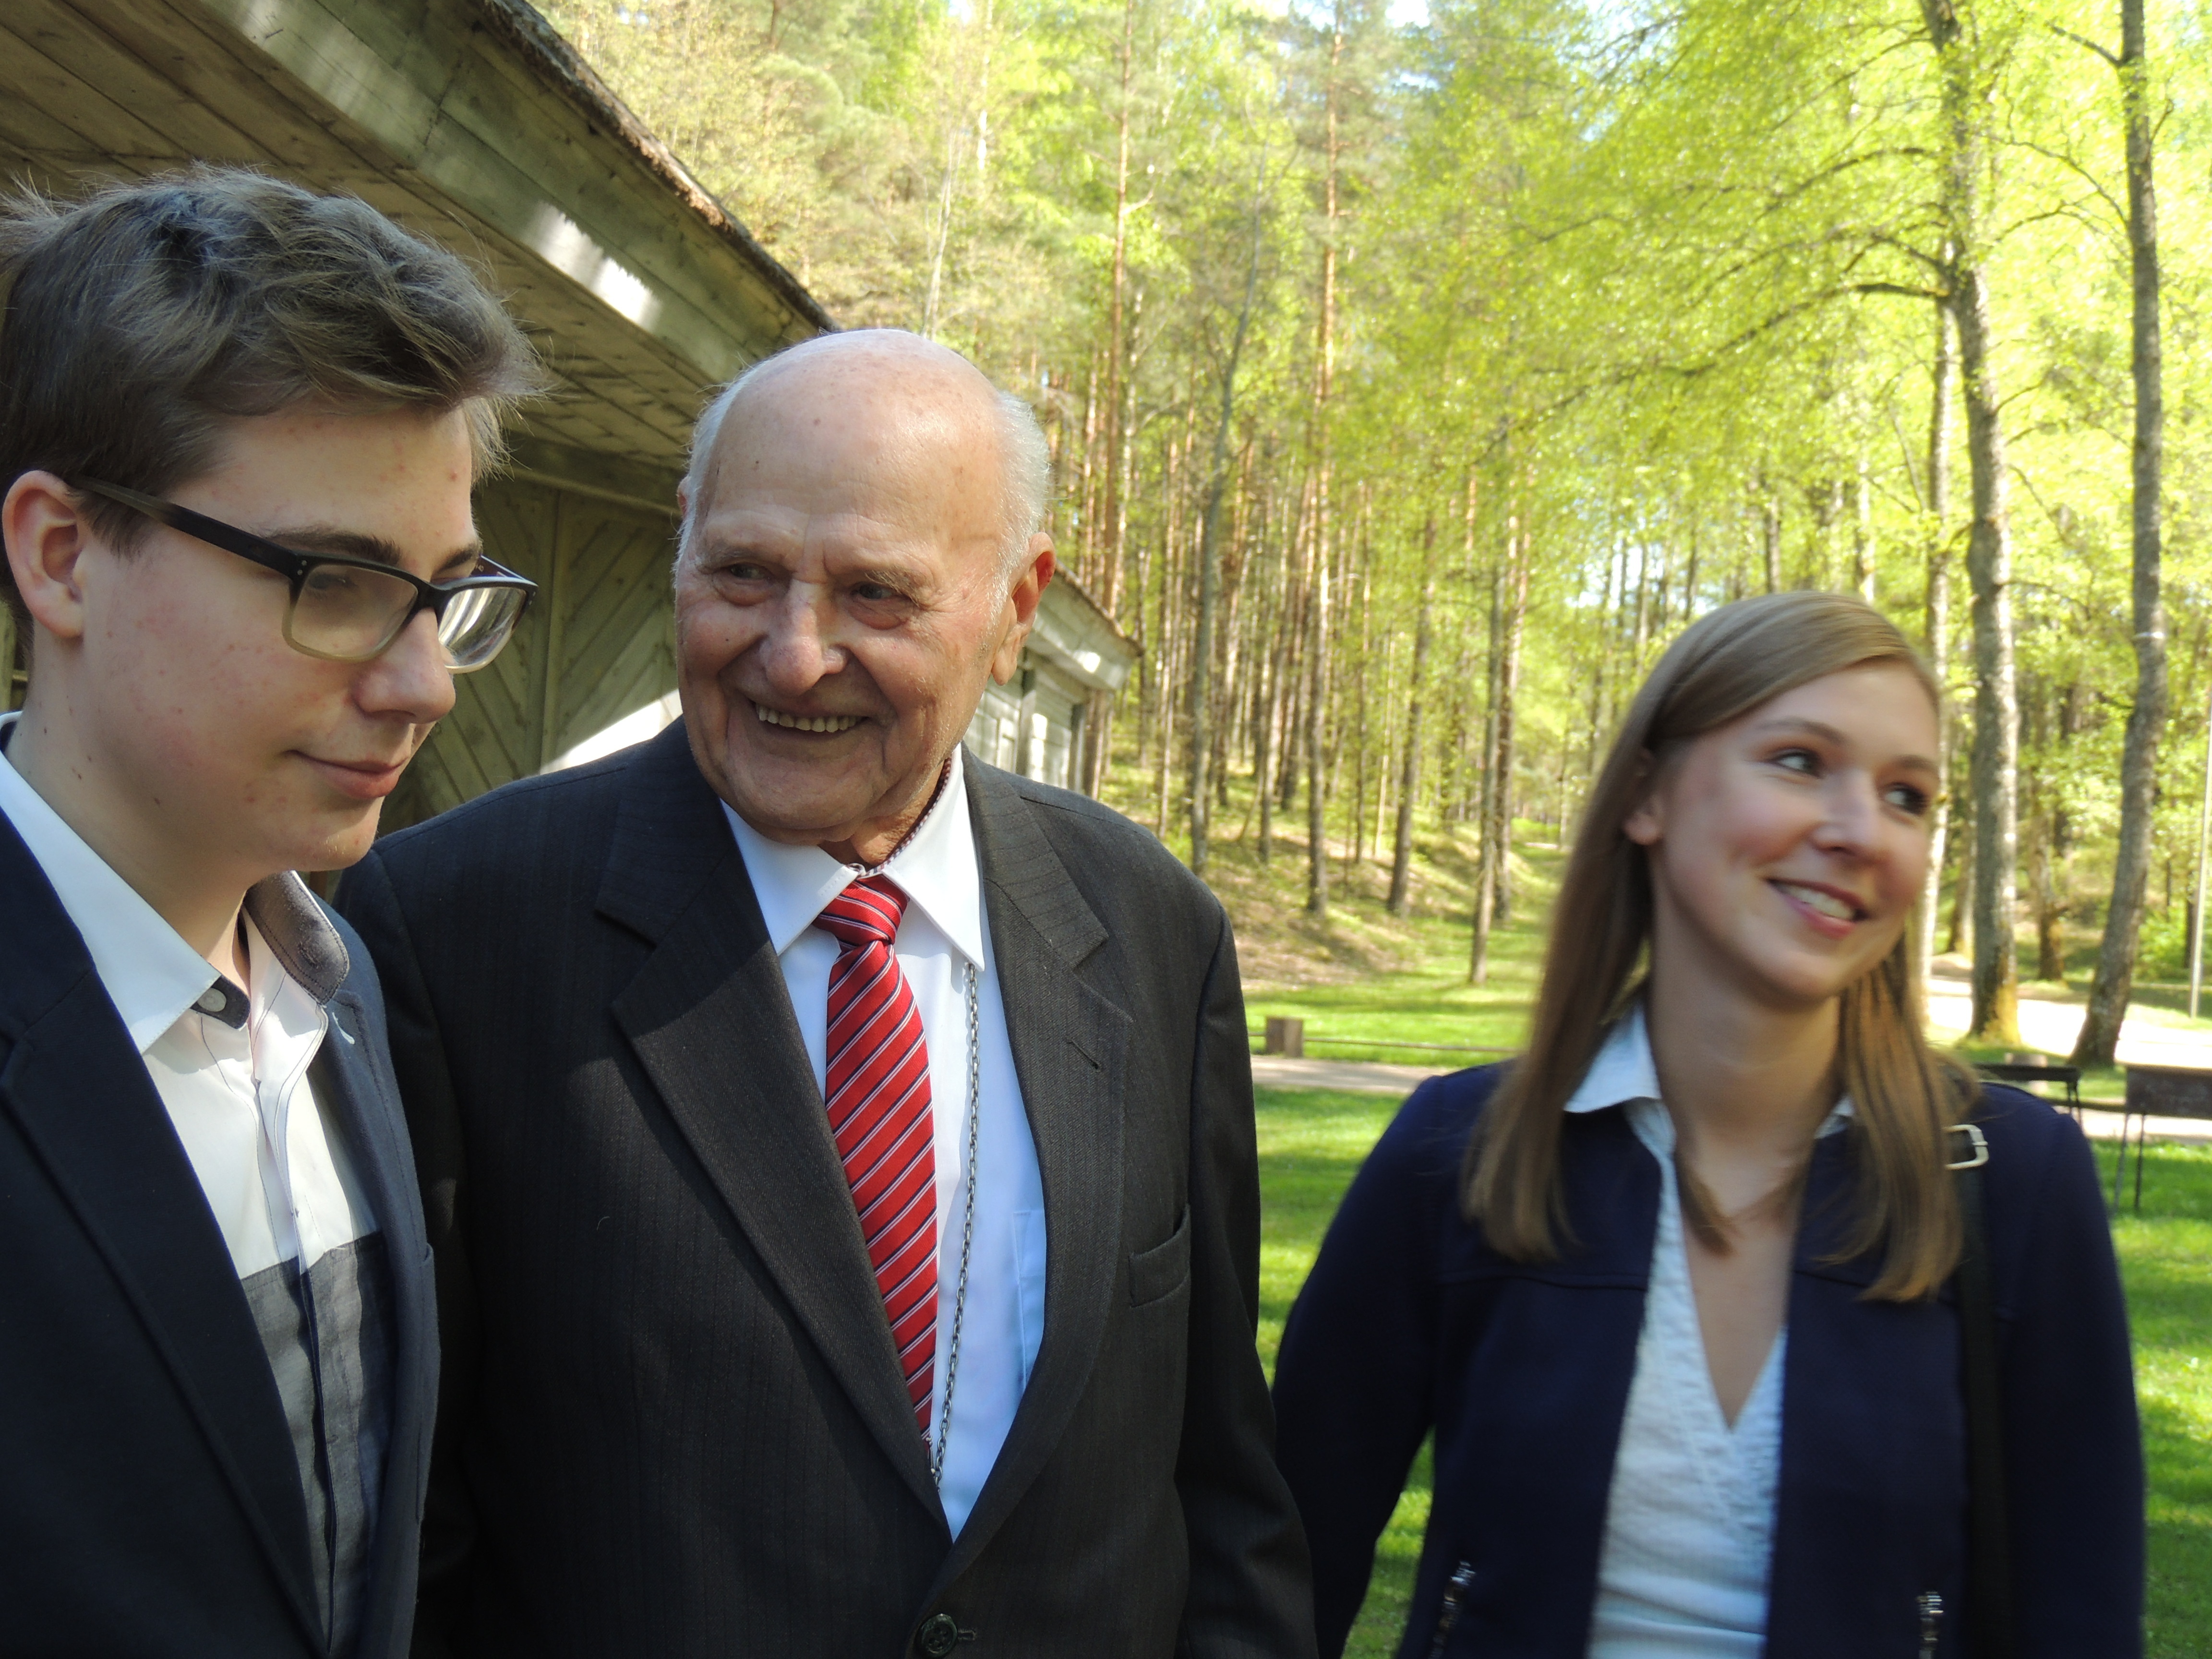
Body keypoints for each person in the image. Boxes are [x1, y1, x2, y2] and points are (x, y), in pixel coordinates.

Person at [336, 327, 1316, 1658]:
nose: (793, 656)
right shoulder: (453, 928)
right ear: (683, 544)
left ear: (1016, 610)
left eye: (875, 594)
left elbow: (1219, 1483)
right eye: (743, 573)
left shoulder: (1150, 928)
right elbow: (414, 1530)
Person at [1273, 591, 2142, 1659]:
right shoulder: (1459, 1151)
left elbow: (2082, 1613)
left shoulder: (2015, 1180)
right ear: (1648, 793)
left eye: (1907, 796)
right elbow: (1276, 1568)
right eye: (1799, 761)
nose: (1860, 830)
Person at [0, 170, 542, 1658]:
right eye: (340, 581)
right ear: (62, 556)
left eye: (447, 593)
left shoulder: (339, 988)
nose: (425, 685)